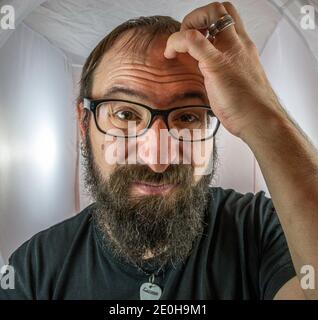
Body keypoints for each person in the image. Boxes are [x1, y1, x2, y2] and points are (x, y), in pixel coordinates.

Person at [1, 2, 317, 300]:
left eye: (188, 116)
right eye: (125, 115)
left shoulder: (263, 229)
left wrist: (262, 112)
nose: (157, 160)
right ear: (84, 123)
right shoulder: (33, 269)